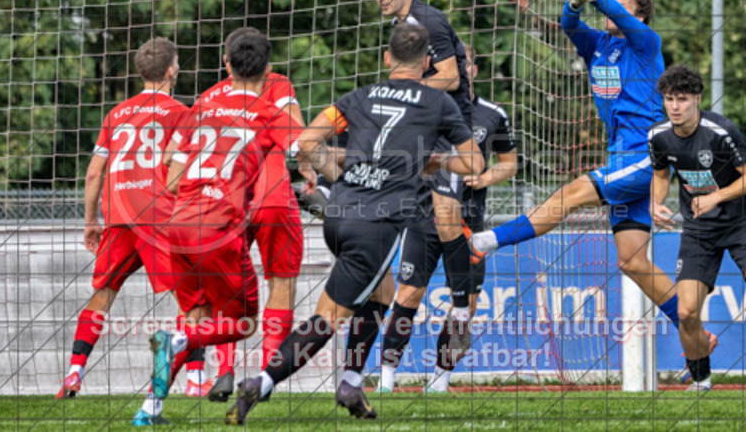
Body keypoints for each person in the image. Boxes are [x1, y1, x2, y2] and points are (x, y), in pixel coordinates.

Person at [225, 24, 484, 425]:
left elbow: (306, 143)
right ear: (428, 64)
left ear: (387, 58)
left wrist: (337, 174)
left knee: (382, 294)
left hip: (339, 214)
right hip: (376, 224)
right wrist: (433, 161)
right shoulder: (439, 104)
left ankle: (350, 381)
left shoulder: (358, 96)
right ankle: (262, 382)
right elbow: (474, 165)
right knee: (328, 317)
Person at [469, 0, 692, 343]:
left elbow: (616, 14)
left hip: (645, 153)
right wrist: (574, 0)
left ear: (638, 17)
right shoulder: (598, 46)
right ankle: (696, 338)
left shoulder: (646, 42)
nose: (608, 12)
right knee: (633, 262)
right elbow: (569, 24)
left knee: (568, 195)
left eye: (618, 7)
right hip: (620, 154)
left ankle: (484, 242)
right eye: (608, 4)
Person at [134, 28, 312, 426]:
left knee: (202, 309)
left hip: (177, 225)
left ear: (225, 63)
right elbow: (301, 141)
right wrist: (319, 175)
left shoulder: (202, 104)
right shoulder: (273, 100)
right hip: (234, 219)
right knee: (248, 317)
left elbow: (171, 169)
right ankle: (262, 374)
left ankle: (151, 408)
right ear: (268, 69)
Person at [648, 64, 746, 393]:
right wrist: (654, 202)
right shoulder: (658, 136)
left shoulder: (720, 131)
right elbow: (661, 175)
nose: (675, 106)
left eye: (682, 99)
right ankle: (702, 381)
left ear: (697, 99)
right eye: (669, 99)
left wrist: (715, 197)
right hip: (698, 232)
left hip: (741, 224)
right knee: (687, 310)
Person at [57, 37, 195, 399]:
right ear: (171, 70)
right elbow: (180, 169)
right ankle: (194, 382)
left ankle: (73, 373)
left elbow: (93, 173)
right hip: (159, 217)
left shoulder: (115, 114)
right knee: (192, 299)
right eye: (177, 63)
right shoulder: (182, 113)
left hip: (118, 217)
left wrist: (91, 220)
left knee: (102, 295)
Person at [377, 43, 518, 394]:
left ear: (473, 69)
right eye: (450, 65)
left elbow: (510, 163)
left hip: (470, 225)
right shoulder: (421, 109)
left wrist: (486, 178)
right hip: (423, 219)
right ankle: (385, 380)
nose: (459, 71)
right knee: (409, 294)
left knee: (466, 305)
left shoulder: (492, 114)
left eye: (465, 64)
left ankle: (440, 381)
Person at [369, 0, 478, 352]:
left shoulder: (427, 21)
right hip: (423, 130)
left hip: (450, 131)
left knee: (448, 218)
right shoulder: (400, 27)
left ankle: (463, 307)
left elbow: (449, 76)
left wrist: (405, 92)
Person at [197, 69, 306, 402]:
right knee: (281, 282)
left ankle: (224, 371)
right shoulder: (278, 83)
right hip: (272, 190)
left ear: (227, 63)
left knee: (225, 287)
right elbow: (297, 131)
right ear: (264, 62)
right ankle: (265, 376)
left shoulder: (208, 97)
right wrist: (311, 172)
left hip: (227, 194)